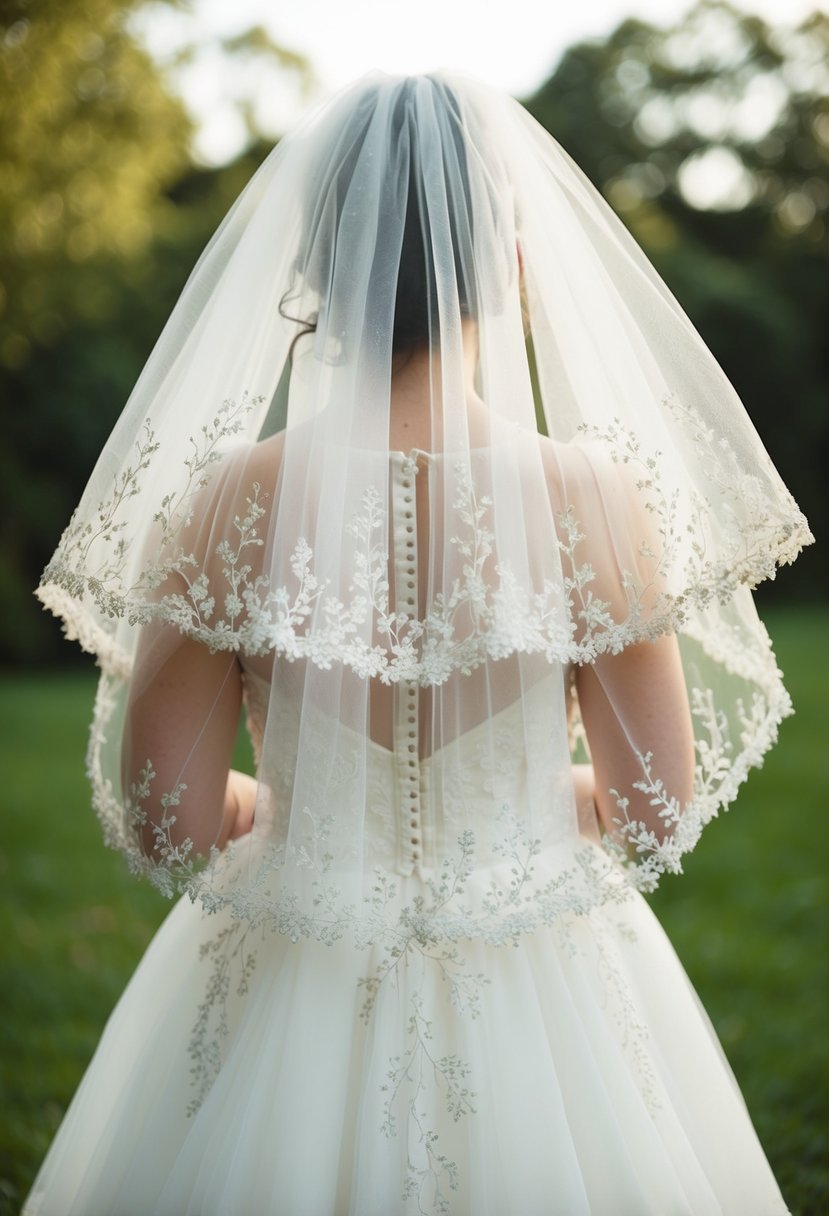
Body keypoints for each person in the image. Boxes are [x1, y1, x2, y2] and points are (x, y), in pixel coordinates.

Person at [26, 72, 810, 1215]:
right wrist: (529, 809)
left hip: (290, 981)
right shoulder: (595, 499)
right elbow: (654, 803)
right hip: (548, 987)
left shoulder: (220, 506)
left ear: (315, 261)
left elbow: (171, 818)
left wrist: (295, 816)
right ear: (508, 260)